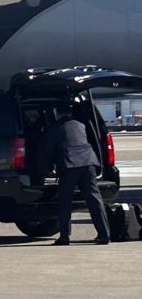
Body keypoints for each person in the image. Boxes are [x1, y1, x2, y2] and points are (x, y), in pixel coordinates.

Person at [44, 102, 111, 245]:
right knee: (94, 199)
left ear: (58, 112)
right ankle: (104, 234)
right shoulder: (81, 125)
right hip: (88, 162)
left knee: (65, 201)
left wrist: (47, 168)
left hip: (69, 165)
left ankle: (64, 236)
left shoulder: (55, 128)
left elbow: (49, 151)